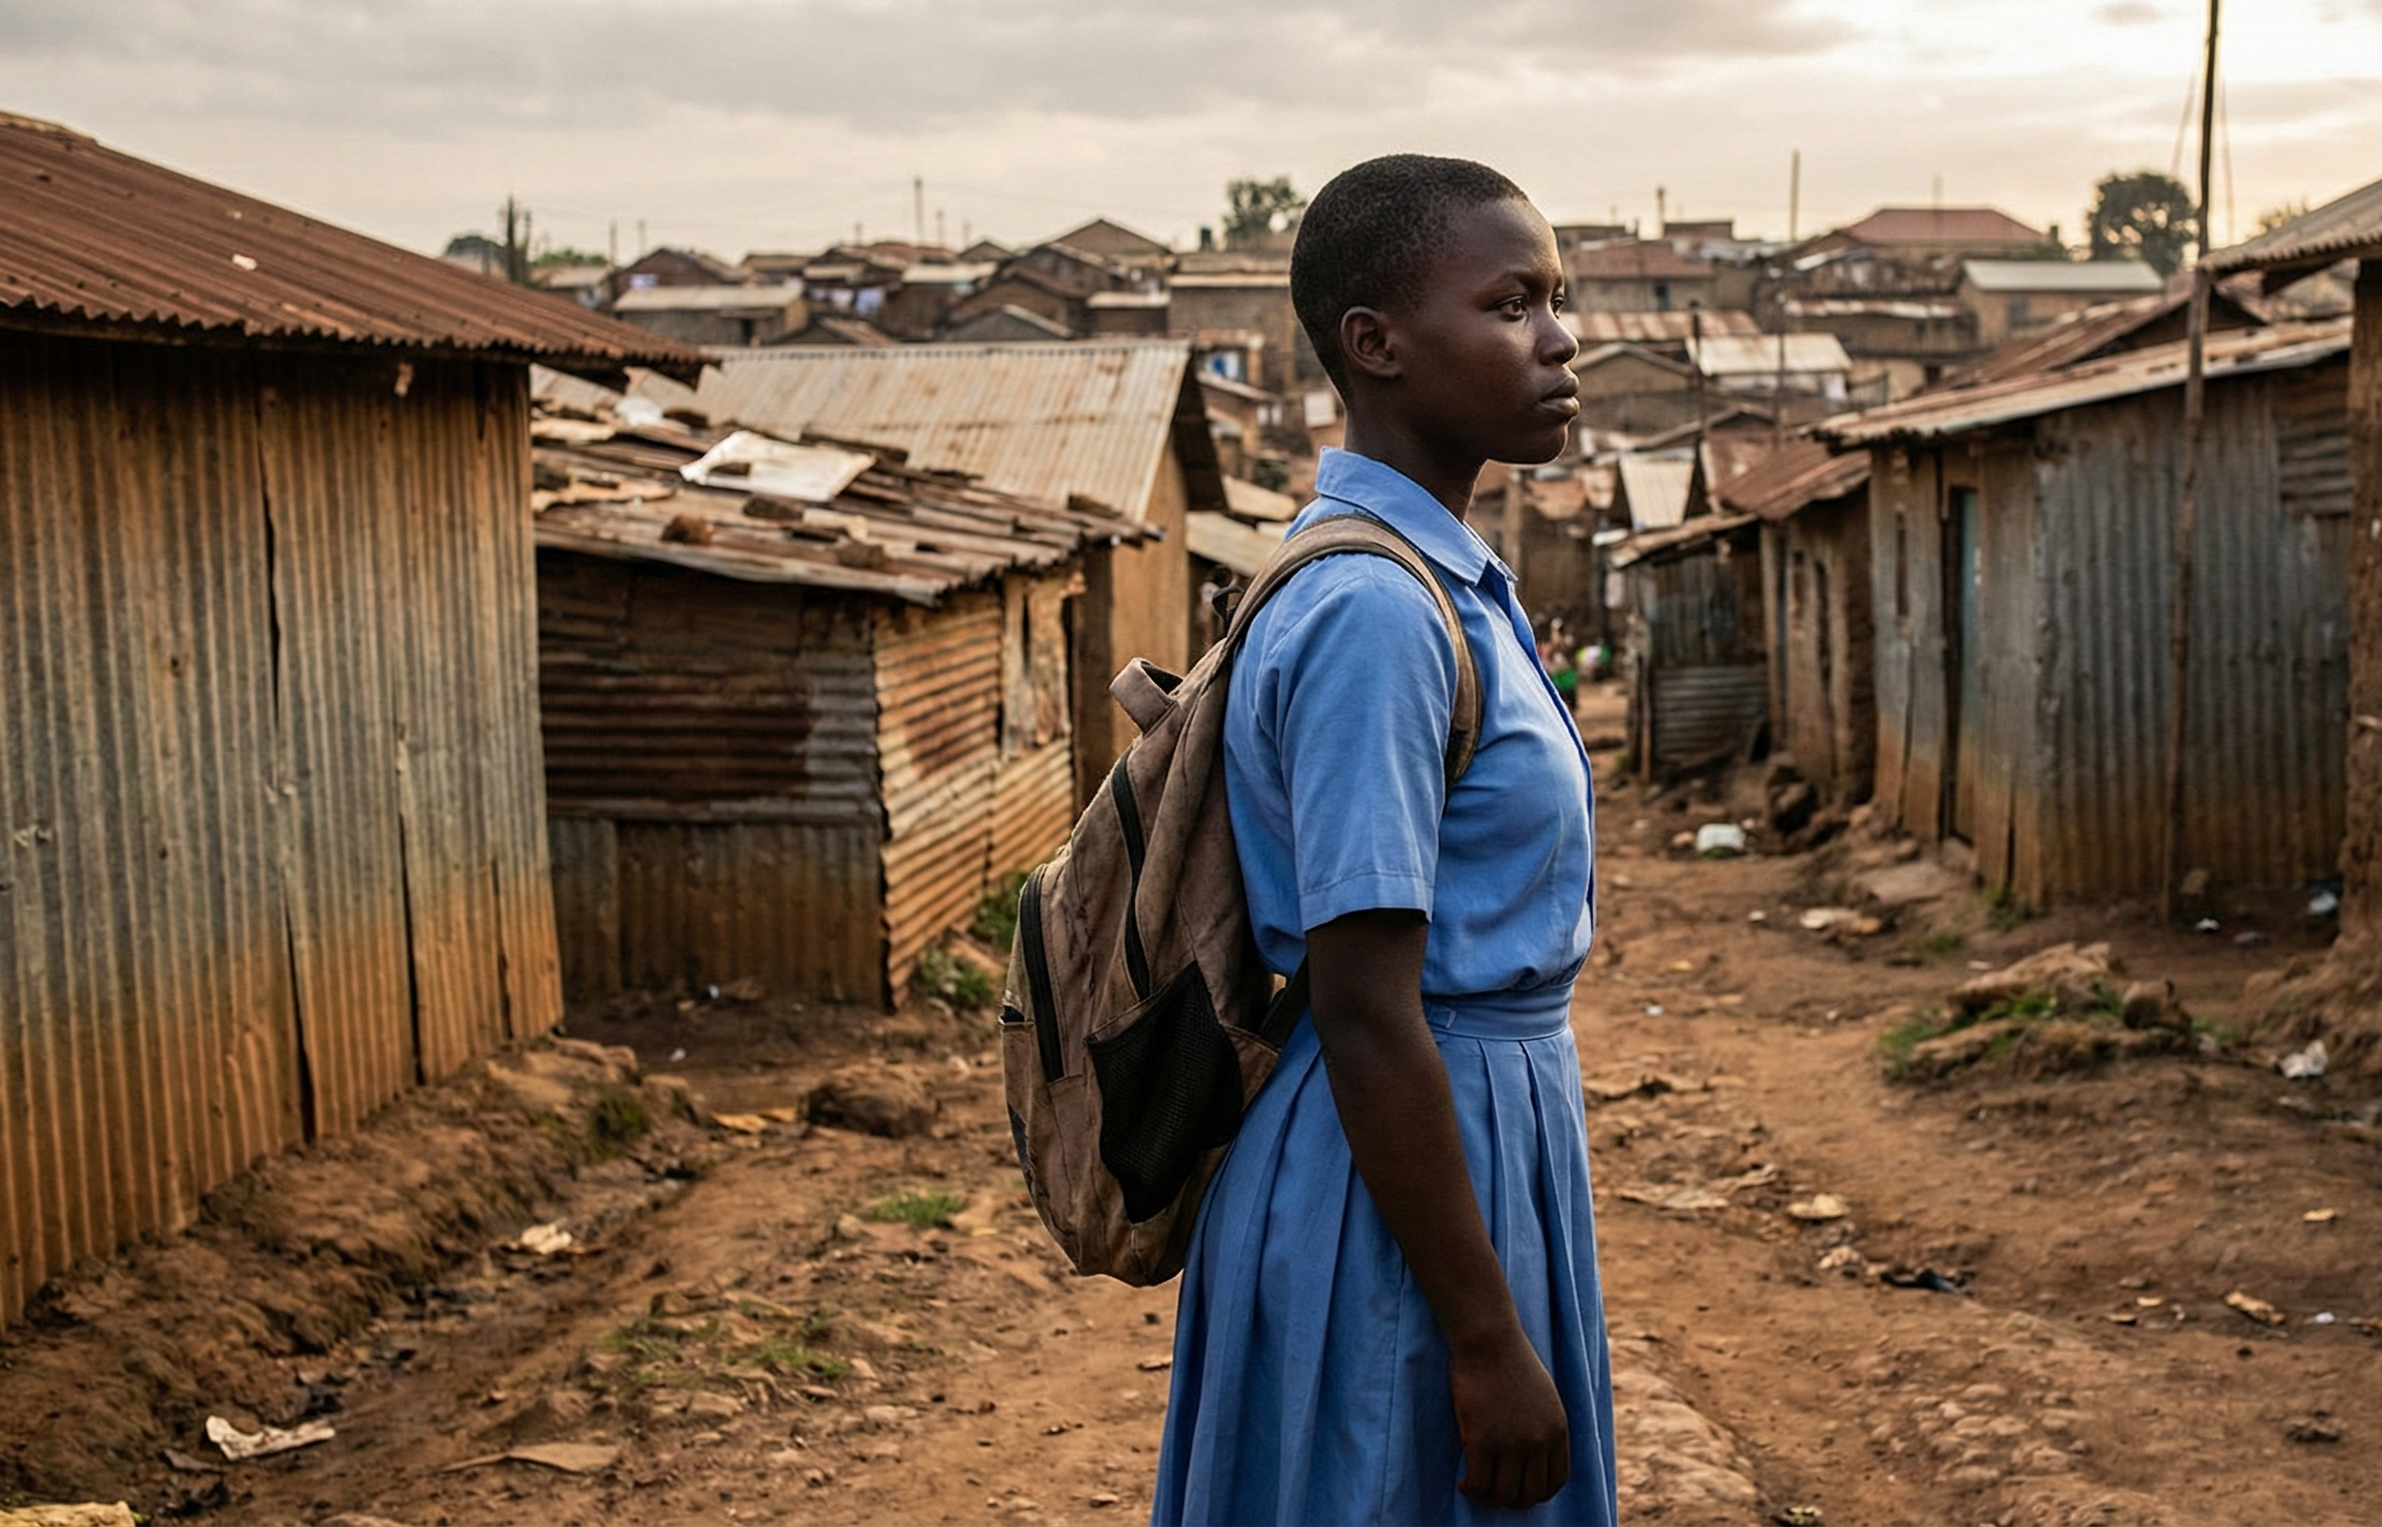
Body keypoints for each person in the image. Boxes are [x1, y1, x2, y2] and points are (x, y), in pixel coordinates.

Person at [1152, 155, 1615, 1526]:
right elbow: (1363, 1006)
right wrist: (1480, 1333)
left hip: (1461, 1145)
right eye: (1511, 301)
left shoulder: (1436, 584)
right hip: (1393, 1179)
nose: (1559, 335)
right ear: (1377, 344)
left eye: (1557, 298)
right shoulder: (1374, 613)